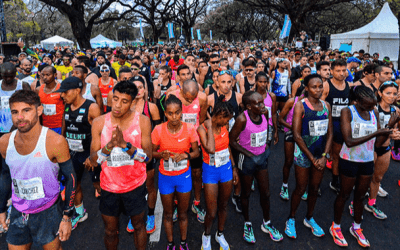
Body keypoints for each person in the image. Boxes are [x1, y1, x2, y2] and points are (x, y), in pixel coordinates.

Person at [0, 90, 77, 250]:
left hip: (48, 211)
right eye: (15, 112)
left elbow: (71, 178)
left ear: (39, 110)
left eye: (26, 110)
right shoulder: (5, 142)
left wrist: (67, 217)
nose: (20, 117)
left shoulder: (55, 142)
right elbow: (5, 175)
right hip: (17, 211)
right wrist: (1, 209)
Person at [85, 80, 152, 250]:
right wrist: (109, 146)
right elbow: (93, 160)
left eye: (124, 101)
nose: (117, 105)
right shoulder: (99, 122)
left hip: (135, 186)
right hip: (109, 188)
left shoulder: (142, 121)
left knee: (139, 227)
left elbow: (148, 158)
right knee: (109, 231)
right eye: (115, 99)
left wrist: (126, 146)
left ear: (133, 102)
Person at [330, 86, 398, 248]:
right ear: (357, 102)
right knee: (344, 195)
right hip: (349, 160)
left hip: (367, 161)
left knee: (360, 197)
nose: (372, 108)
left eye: (373, 105)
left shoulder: (373, 113)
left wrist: (389, 127)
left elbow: (377, 144)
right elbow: (349, 141)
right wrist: (376, 133)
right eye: (368, 106)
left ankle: (357, 227)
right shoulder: (348, 111)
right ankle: (336, 226)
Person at [229, 91, 283, 244]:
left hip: (262, 159)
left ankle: (267, 223)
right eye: (258, 104)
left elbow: (268, 129)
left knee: (265, 192)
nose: (262, 106)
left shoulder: (264, 113)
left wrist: (266, 144)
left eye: (262, 102)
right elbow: (231, 141)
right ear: (248, 106)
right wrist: (249, 154)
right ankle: (247, 223)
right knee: (245, 194)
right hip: (247, 161)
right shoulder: (241, 119)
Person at [284, 74, 333, 239]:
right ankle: (291, 218)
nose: (318, 90)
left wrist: (325, 156)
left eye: (320, 86)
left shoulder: (326, 105)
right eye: (314, 87)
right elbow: (297, 135)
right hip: (304, 154)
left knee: (314, 188)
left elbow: (330, 133)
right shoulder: (300, 106)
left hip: (320, 154)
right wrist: (312, 158)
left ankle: (309, 218)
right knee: (300, 187)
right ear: (306, 88)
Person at [152, 95, 199, 250]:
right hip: (165, 177)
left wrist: (186, 155)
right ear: (165, 113)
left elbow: (196, 153)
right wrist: (161, 154)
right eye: (170, 113)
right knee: (168, 214)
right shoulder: (158, 130)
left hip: (183, 177)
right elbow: (151, 153)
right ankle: (171, 243)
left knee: (183, 214)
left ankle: (183, 243)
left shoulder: (190, 129)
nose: (174, 117)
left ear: (181, 113)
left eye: (177, 113)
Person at [58, 76, 101, 230]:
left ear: (77, 91)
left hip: (90, 154)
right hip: (73, 153)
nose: (62, 95)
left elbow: (101, 132)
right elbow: (65, 124)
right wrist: (61, 143)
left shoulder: (92, 107)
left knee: (99, 185)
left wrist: (94, 156)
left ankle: (111, 214)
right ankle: (80, 212)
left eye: (65, 92)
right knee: (74, 184)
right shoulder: (67, 105)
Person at [352, 81, 399, 219]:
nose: (391, 96)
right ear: (380, 93)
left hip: (385, 148)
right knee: (362, 180)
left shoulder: (396, 111)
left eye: (395, 94)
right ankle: (355, 203)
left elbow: (394, 130)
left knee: (377, 178)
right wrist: (387, 132)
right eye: (388, 93)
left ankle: (371, 204)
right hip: (370, 148)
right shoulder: (372, 108)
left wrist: (394, 134)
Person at [198, 95, 238, 250]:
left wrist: (234, 167)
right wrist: (209, 125)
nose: (227, 123)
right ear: (219, 116)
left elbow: (227, 147)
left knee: (223, 205)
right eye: (225, 119)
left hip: (226, 168)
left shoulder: (224, 127)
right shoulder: (202, 128)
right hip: (210, 171)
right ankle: (206, 235)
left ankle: (220, 234)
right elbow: (210, 149)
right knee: (211, 211)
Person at [166, 79, 208, 223]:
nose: (190, 100)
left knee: (197, 173)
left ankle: (196, 203)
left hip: (194, 141)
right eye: (188, 97)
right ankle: (177, 205)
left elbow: (201, 119)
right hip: (176, 140)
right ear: (181, 91)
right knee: (177, 173)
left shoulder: (202, 98)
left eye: (193, 97)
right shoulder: (171, 96)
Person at [126, 75, 161, 234]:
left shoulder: (151, 107)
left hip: (146, 154)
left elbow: (158, 130)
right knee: (132, 187)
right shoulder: (124, 107)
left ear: (145, 89)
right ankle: (134, 215)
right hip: (128, 154)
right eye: (135, 87)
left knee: (149, 185)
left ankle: (151, 214)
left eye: (140, 87)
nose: (138, 90)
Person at [321, 60, 350, 193]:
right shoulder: (326, 86)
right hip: (328, 124)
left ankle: (335, 180)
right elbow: (318, 105)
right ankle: (315, 183)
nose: (341, 73)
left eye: (344, 70)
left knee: (338, 154)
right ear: (331, 72)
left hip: (343, 125)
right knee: (322, 153)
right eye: (338, 71)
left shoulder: (349, 85)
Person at [278, 89, 305, 200]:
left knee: (303, 163)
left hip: (304, 136)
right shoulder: (292, 101)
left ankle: (301, 188)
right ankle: (284, 186)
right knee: (289, 161)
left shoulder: (313, 103)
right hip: (290, 133)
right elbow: (280, 119)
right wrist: (293, 129)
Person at [36, 66, 64, 135]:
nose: (45, 77)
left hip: (58, 126)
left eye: (48, 75)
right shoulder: (38, 89)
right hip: (44, 126)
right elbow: (37, 109)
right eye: (43, 75)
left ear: (55, 75)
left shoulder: (61, 89)